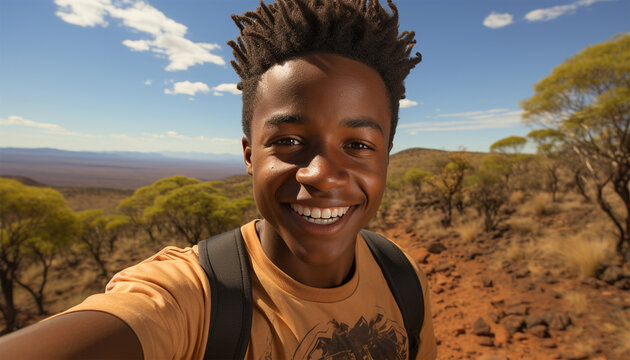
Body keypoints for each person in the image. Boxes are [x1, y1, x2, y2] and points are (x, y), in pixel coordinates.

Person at [0, 0, 437, 358]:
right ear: (250, 155)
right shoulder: (194, 300)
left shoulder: (400, 275)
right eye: (287, 140)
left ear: (385, 158)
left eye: (359, 145)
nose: (320, 174)